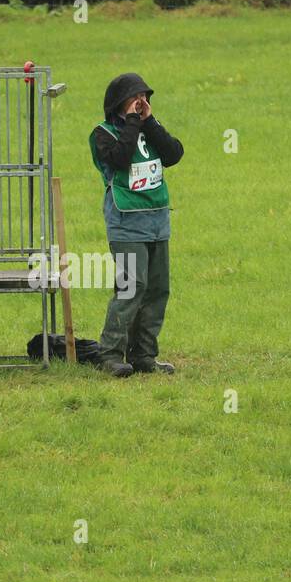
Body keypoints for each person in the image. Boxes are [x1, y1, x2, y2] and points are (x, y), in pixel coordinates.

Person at [88, 73, 184, 377]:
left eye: (145, 96)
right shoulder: (103, 133)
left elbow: (173, 153)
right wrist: (131, 123)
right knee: (132, 287)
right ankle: (110, 353)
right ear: (119, 103)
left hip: (157, 220)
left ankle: (144, 355)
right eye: (134, 97)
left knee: (157, 289)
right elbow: (119, 158)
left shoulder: (149, 129)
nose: (141, 102)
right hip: (126, 223)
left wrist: (150, 122)